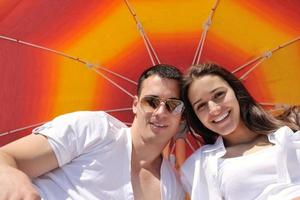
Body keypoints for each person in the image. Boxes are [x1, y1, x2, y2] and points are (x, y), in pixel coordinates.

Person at [0, 64, 186, 200]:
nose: (161, 112)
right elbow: (5, 157)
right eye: (151, 102)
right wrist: (11, 176)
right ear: (136, 105)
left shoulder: (173, 188)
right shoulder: (95, 129)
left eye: (173, 105)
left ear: (182, 116)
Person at [180, 63, 300, 200]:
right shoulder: (199, 166)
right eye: (201, 106)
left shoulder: (292, 126)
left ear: (236, 91)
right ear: (196, 117)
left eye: (219, 94)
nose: (214, 109)